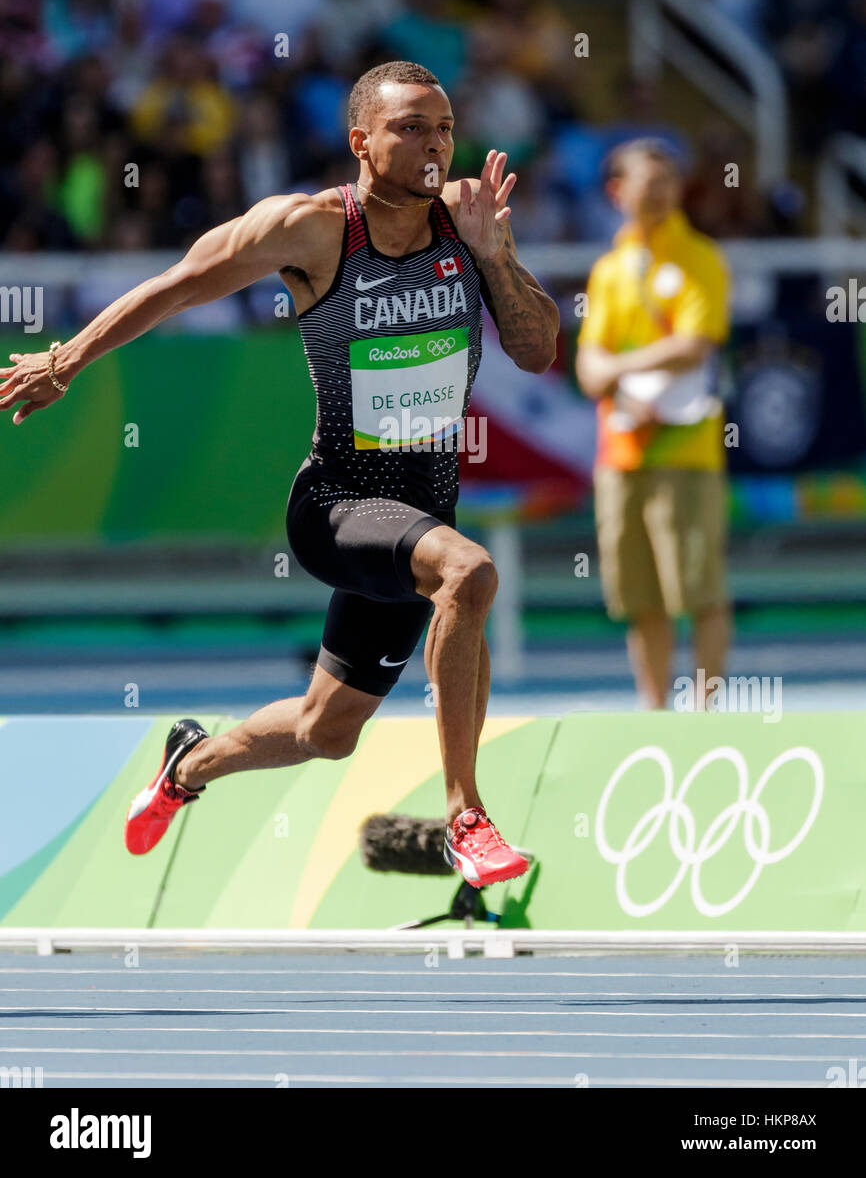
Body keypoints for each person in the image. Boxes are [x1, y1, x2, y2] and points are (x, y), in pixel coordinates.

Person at [0, 60, 559, 888]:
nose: (434, 146)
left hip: (421, 516)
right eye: (410, 129)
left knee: (326, 731)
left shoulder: (465, 225)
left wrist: (496, 256)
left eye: (443, 127)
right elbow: (176, 286)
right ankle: (466, 818)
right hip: (337, 506)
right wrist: (69, 358)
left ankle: (186, 766)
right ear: (360, 140)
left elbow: (539, 348)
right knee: (469, 572)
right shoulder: (309, 228)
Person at [576, 138, 731, 710]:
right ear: (618, 191)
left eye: (668, 182)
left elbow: (694, 345)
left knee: (699, 588)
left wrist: (618, 369)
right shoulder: (610, 270)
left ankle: (706, 710)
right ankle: (654, 711)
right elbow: (587, 370)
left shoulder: (698, 258)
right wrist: (617, 374)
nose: (661, 193)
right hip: (620, 454)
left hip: (686, 452)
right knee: (638, 596)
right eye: (648, 182)